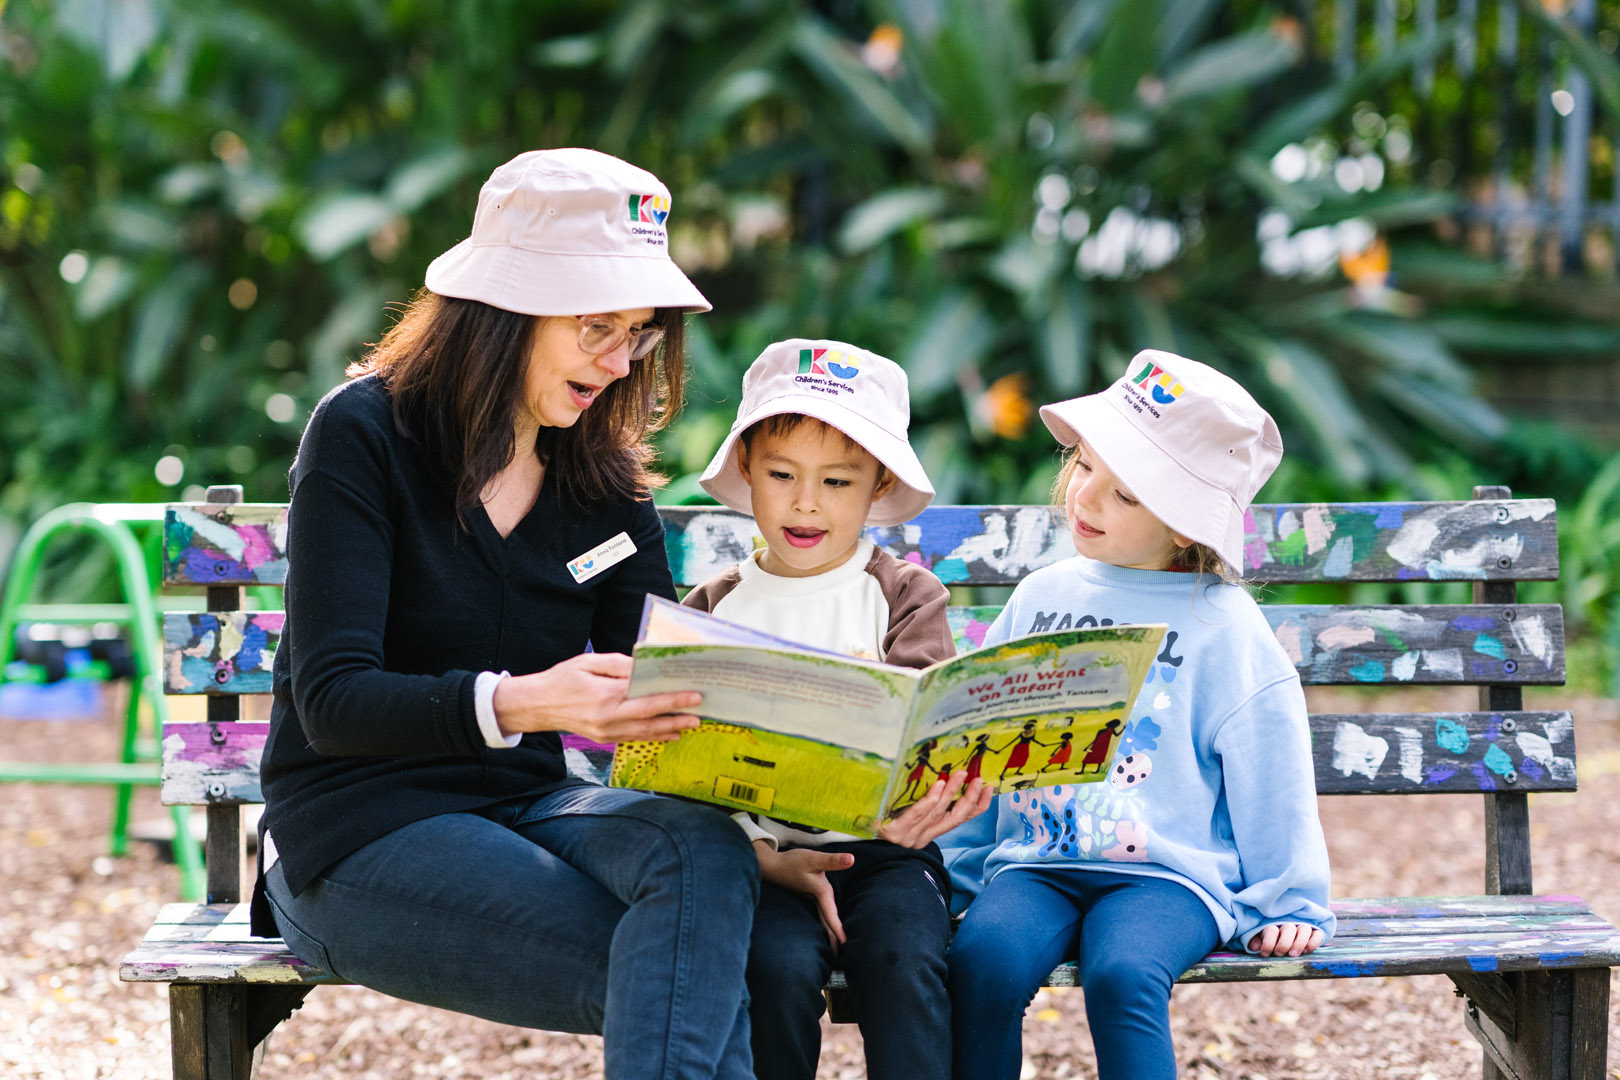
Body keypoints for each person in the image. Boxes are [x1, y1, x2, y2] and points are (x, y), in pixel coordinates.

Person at [252, 148, 762, 1080]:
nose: (620, 362)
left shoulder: (604, 485)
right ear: (506, 311)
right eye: (598, 327)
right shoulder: (363, 434)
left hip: (529, 806)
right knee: (690, 971)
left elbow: (660, 698)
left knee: (708, 856)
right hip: (353, 828)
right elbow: (333, 702)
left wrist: (792, 820)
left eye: (639, 334)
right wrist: (530, 703)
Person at [941, 350, 1335, 1080]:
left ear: (1187, 527)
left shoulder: (1224, 623)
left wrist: (1290, 901)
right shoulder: (1039, 597)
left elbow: (1270, 761)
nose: (1086, 500)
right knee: (982, 964)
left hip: (1167, 878)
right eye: (1085, 468)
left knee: (1122, 975)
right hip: (1035, 865)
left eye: (1125, 496)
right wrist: (957, 873)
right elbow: (979, 739)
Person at [681, 339, 993, 1080]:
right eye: (781, 474)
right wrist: (761, 856)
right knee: (775, 972)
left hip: (886, 851)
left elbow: (932, 725)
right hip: (764, 860)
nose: (806, 502)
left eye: (838, 481)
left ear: (877, 485)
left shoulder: (905, 592)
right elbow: (676, 760)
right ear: (748, 471)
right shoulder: (715, 607)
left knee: (904, 960)